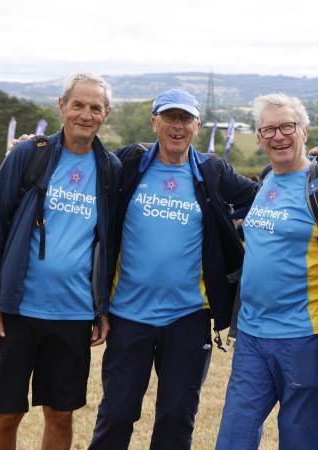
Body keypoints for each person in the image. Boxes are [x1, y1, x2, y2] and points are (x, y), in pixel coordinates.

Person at [87, 89, 257, 450]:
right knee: (116, 414)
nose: (177, 126)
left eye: (185, 119)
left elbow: (264, 195)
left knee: (176, 418)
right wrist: (32, 146)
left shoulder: (211, 171)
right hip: (127, 316)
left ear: (197, 125)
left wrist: (315, 163)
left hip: (188, 318)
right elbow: (82, 164)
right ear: (155, 122)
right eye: (169, 118)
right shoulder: (129, 164)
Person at [0, 73, 121, 450]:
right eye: (78, 105)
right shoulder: (29, 154)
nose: (85, 115)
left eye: (95, 108)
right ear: (61, 106)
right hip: (16, 311)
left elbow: (109, 244)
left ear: (106, 114)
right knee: (6, 414)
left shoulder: (111, 169)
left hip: (73, 315)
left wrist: (101, 308)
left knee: (60, 414)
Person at [216, 93, 318, 450]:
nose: (278, 136)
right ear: (260, 136)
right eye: (269, 129)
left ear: (304, 132)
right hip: (252, 333)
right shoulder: (265, 180)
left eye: (287, 127)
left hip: (305, 336)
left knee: (301, 441)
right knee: (234, 438)